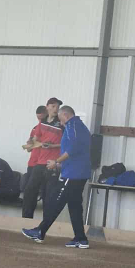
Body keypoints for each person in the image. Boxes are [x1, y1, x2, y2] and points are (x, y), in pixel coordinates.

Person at [22, 105, 91, 247]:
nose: (60, 122)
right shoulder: (80, 126)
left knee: (55, 202)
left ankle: (40, 231)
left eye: (60, 119)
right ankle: (80, 238)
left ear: (65, 115)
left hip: (73, 173)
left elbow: (73, 149)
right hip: (79, 172)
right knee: (74, 205)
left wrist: (56, 162)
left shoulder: (72, 127)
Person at [21, 99, 62, 219]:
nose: (55, 109)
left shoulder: (61, 123)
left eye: (57, 107)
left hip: (52, 163)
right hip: (40, 162)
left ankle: (46, 222)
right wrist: (30, 143)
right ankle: (26, 219)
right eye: (53, 106)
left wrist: (53, 146)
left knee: (48, 194)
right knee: (29, 190)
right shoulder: (42, 123)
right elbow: (35, 138)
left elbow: (67, 143)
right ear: (47, 107)